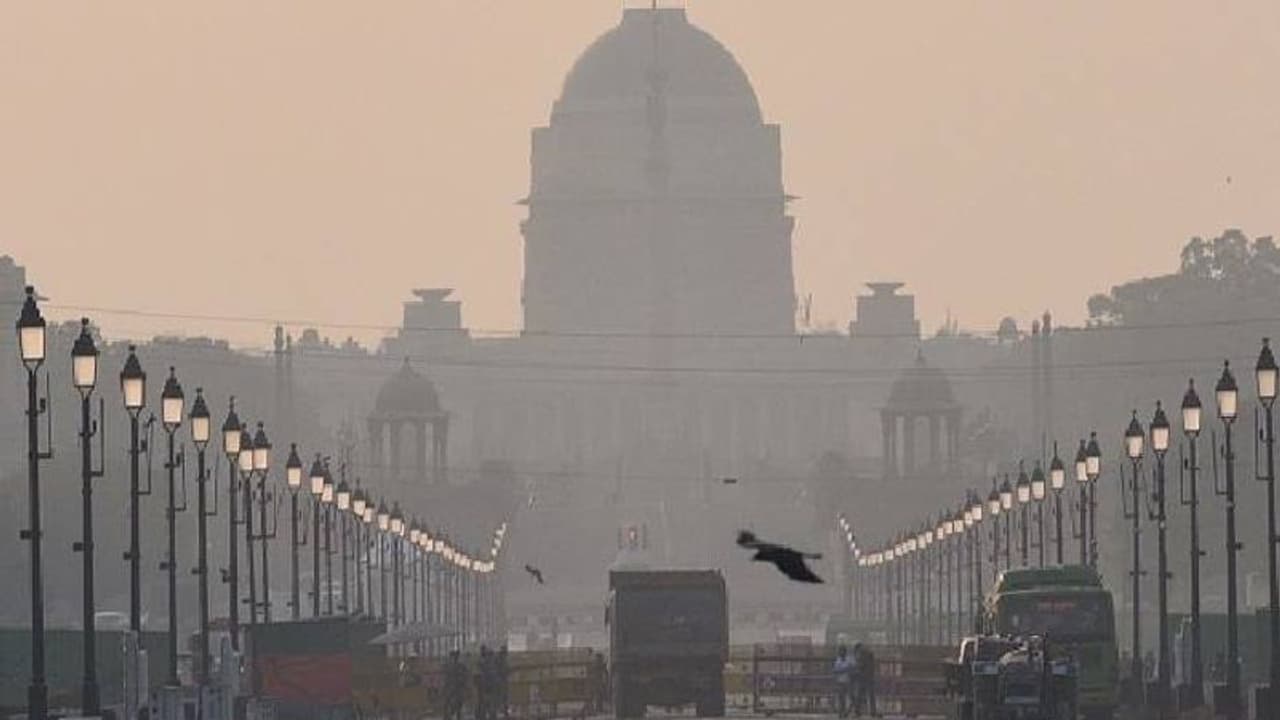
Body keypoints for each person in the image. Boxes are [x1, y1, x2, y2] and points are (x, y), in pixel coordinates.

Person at [833, 645, 856, 718]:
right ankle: (841, 713)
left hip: (848, 681)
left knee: (851, 698)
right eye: (840, 651)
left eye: (842, 651)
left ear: (845, 652)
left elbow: (853, 668)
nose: (841, 653)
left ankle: (847, 712)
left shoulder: (849, 659)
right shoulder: (838, 660)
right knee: (841, 698)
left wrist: (844, 669)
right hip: (840, 681)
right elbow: (836, 670)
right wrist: (845, 669)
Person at [444, 650, 467, 720]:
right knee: (450, 703)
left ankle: (453, 715)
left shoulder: (460, 665)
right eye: (454, 655)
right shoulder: (449, 665)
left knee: (458, 704)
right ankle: (449, 715)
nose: (455, 657)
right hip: (452, 687)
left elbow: (465, 675)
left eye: (456, 656)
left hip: (457, 687)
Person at [857, 644, 877, 718]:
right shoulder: (870, 656)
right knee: (871, 695)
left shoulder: (862, 655)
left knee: (860, 695)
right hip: (870, 677)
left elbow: (860, 666)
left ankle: (858, 712)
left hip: (863, 677)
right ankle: (873, 712)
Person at [497, 646, 511, 720]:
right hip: (501, 680)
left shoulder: (503, 659)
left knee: (504, 696)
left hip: (503, 679)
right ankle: (503, 710)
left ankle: (505, 710)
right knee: (503, 695)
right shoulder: (501, 659)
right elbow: (503, 669)